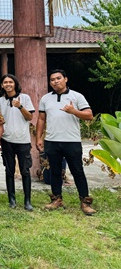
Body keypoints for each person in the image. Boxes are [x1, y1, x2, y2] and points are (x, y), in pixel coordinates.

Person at [36, 69, 96, 215]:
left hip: (71, 141)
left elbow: (89, 115)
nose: (55, 81)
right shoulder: (45, 99)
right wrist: (38, 138)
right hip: (52, 141)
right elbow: (41, 119)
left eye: (58, 78)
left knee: (77, 171)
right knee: (55, 172)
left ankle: (85, 202)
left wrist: (73, 111)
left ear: (65, 79)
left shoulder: (77, 96)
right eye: (52, 79)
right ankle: (57, 199)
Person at [0, 74, 35, 211]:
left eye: (10, 82)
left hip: (23, 140)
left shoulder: (24, 98)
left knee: (25, 171)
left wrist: (20, 106)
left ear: (15, 83)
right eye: (5, 82)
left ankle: (27, 201)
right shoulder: (0, 101)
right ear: (2, 85)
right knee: (9, 171)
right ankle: (12, 200)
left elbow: (29, 117)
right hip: (7, 140)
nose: (8, 84)